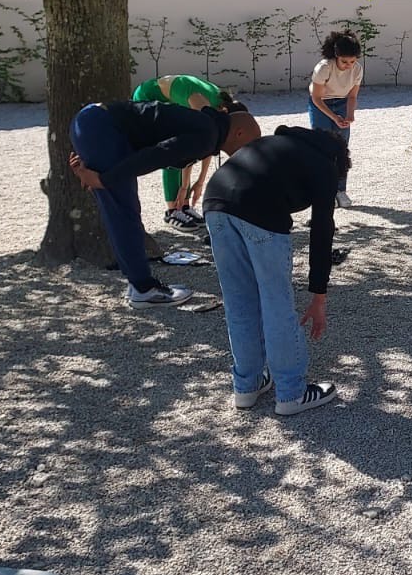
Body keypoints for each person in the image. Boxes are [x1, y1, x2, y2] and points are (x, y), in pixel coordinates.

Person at [202, 125, 345, 416]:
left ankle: (246, 385)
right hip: (260, 211)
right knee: (276, 303)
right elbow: (321, 231)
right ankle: (291, 393)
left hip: (215, 202)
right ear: (338, 161)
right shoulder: (325, 166)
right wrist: (319, 295)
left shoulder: (277, 144)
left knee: (239, 302)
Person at [69, 97, 260, 306]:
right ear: (239, 134)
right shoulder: (208, 135)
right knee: (123, 212)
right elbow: (156, 155)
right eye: (248, 147)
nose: (246, 155)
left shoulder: (207, 125)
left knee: (119, 209)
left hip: (93, 120)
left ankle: (138, 284)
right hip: (101, 128)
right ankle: (143, 289)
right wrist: (104, 179)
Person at [132, 74, 225, 228]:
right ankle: (172, 211)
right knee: (172, 152)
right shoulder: (199, 104)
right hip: (148, 97)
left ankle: (184, 206)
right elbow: (190, 148)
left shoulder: (216, 106)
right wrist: (184, 186)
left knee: (183, 152)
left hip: (172, 101)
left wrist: (200, 182)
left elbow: (208, 147)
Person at [309, 30, 364, 209]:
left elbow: (352, 96)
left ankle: (341, 190)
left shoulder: (357, 69)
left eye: (352, 61)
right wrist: (333, 116)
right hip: (321, 103)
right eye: (344, 61)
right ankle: (324, 192)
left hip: (342, 101)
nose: (349, 65)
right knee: (321, 146)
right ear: (336, 56)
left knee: (341, 148)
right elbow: (316, 98)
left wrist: (349, 116)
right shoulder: (324, 67)